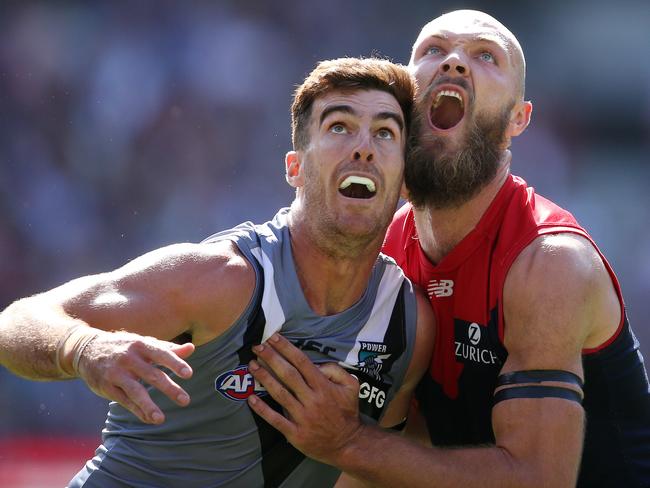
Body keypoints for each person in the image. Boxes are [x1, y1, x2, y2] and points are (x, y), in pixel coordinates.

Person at [246, 10, 650, 488]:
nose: (455, 62)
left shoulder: (548, 262)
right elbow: (397, 450)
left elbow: (540, 479)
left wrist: (347, 442)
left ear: (517, 119)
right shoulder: (387, 246)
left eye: (485, 56)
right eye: (434, 50)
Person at [0, 57, 435, 487]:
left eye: (385, 132)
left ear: (403, 181)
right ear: (295, 168)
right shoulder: (223, 278)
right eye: (339, 127)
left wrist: (347, 441)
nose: (364, 146)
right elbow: (15, 324)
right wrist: (83, 346)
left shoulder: (407, 326)